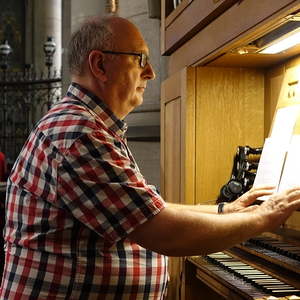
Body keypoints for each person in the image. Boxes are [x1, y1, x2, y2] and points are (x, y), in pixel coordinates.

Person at [1, 15, 300, 300]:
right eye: (141, 59)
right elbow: (165, 233)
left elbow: (145, 209)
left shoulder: (87, 125)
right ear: (100, 64)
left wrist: (227, 211)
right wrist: (265, 216)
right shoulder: (80, 134)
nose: (151, 73)